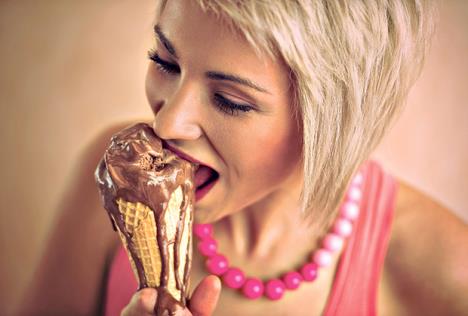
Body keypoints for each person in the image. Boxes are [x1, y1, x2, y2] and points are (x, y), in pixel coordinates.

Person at [16, 0, 468, 315]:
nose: (167, 123)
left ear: (336, 121)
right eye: (165, 61)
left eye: (231, 100)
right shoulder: (118, 174)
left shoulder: (444, 272)